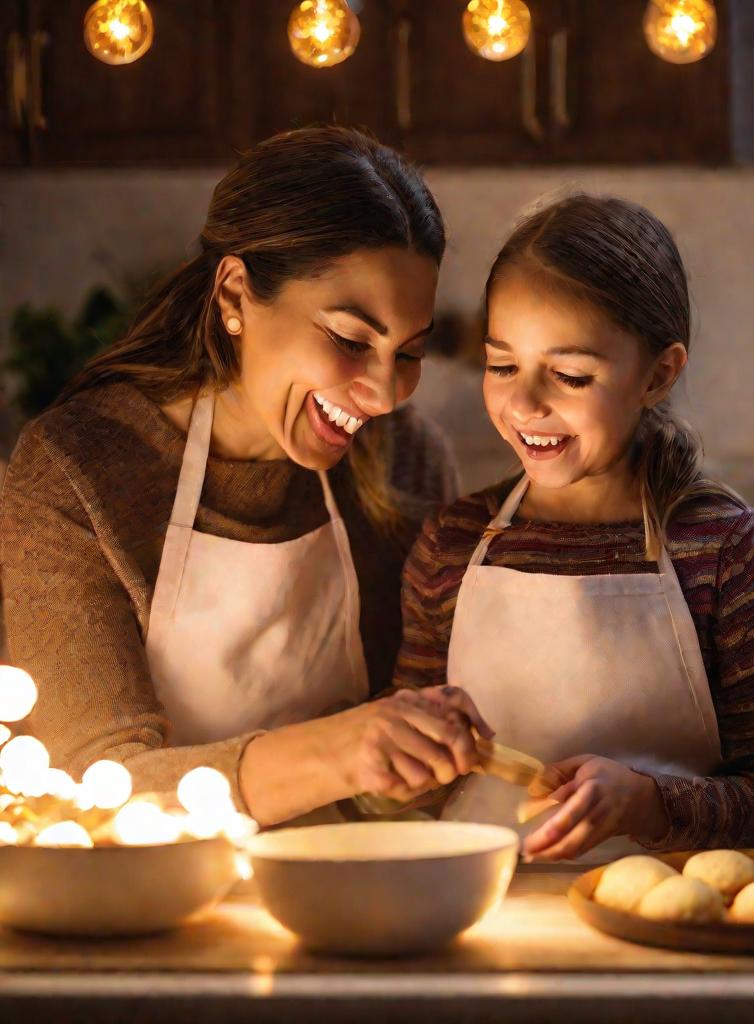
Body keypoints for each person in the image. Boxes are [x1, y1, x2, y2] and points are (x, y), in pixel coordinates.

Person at [0, 126, 493, 828]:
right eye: (351, 341)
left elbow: (406, 766)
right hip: (159, 907)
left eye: (407, 353)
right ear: (235, 295)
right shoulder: (78, 471)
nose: (385, 395)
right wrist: (338, 752)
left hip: (356, 895)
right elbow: (90, 789)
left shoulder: (406, 459)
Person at [394, 194, 754, 862]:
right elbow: (403, 802)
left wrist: (649, 802)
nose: (523, 402)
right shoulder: (452, 544)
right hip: (487, 920)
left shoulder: (722, 549)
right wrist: (405, 765)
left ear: (658, 374)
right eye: (502, 364)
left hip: (674, 926)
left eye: (570, 374)